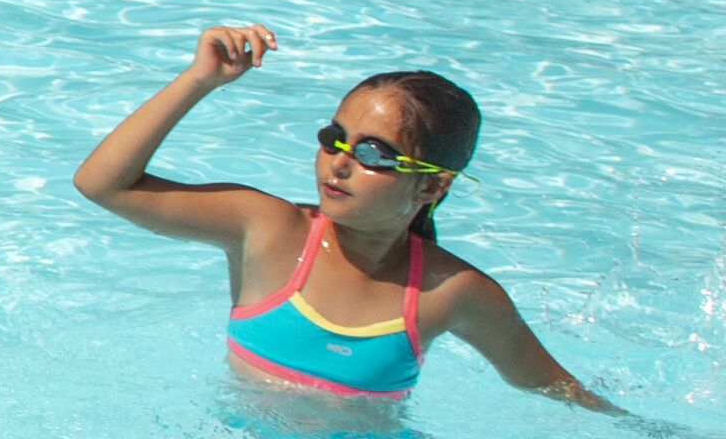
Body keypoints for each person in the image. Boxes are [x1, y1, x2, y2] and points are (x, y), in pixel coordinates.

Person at [74, 25, 609, 411]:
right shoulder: (266, 229)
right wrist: (199, 80)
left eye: (374, 153)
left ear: (431, 185)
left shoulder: (451, 293)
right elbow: (102, 184)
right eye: (334, 139)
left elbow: (552, 386)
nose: (340, 161)